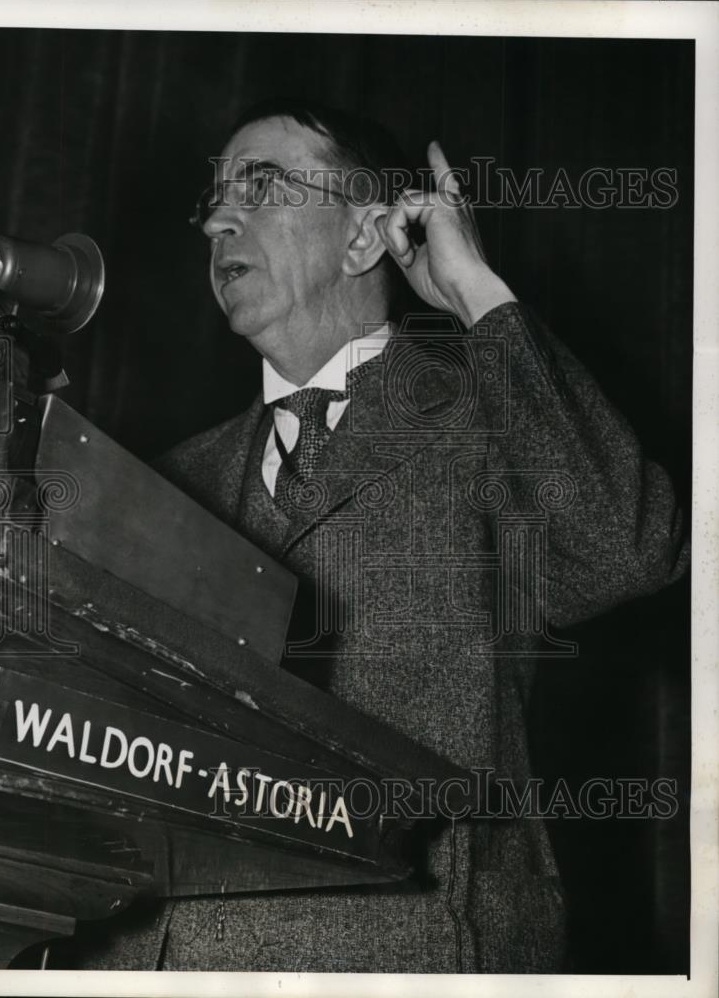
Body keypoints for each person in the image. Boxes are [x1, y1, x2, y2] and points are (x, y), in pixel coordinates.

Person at [80, 99, 688, 973]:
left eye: (262, 184)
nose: (219, 216)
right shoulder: (168, 479)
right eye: (215, 195)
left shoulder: (490, 425)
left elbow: (628, 548)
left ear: (364, 238)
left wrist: (479, 297)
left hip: (408, 957)